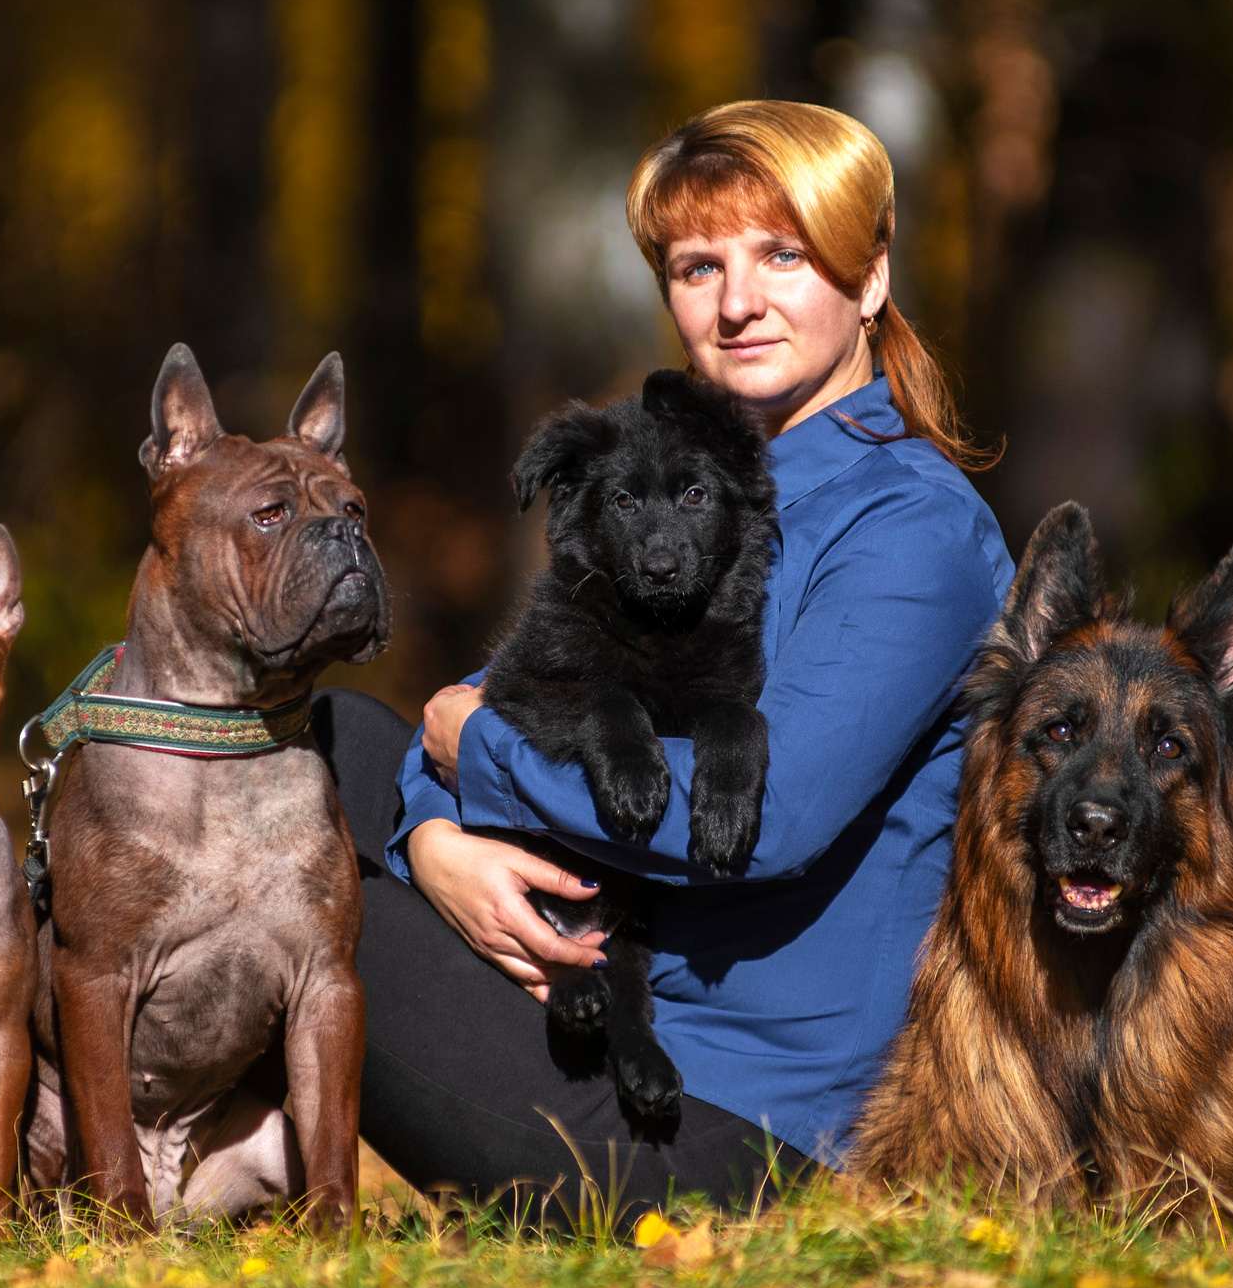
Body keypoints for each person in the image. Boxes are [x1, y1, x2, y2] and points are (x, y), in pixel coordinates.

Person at [311, 100, 1013, 1217]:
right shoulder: (677, 489)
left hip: (730, 1127)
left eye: (782, 256)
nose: (737, 303)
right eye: (698, 268)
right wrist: (433, 843)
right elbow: (508, 690)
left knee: (271, 879)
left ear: (872, 276)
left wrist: (480, 763)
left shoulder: (911, 532)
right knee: (329, 736)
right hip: (593, 1001)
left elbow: (765, 818)